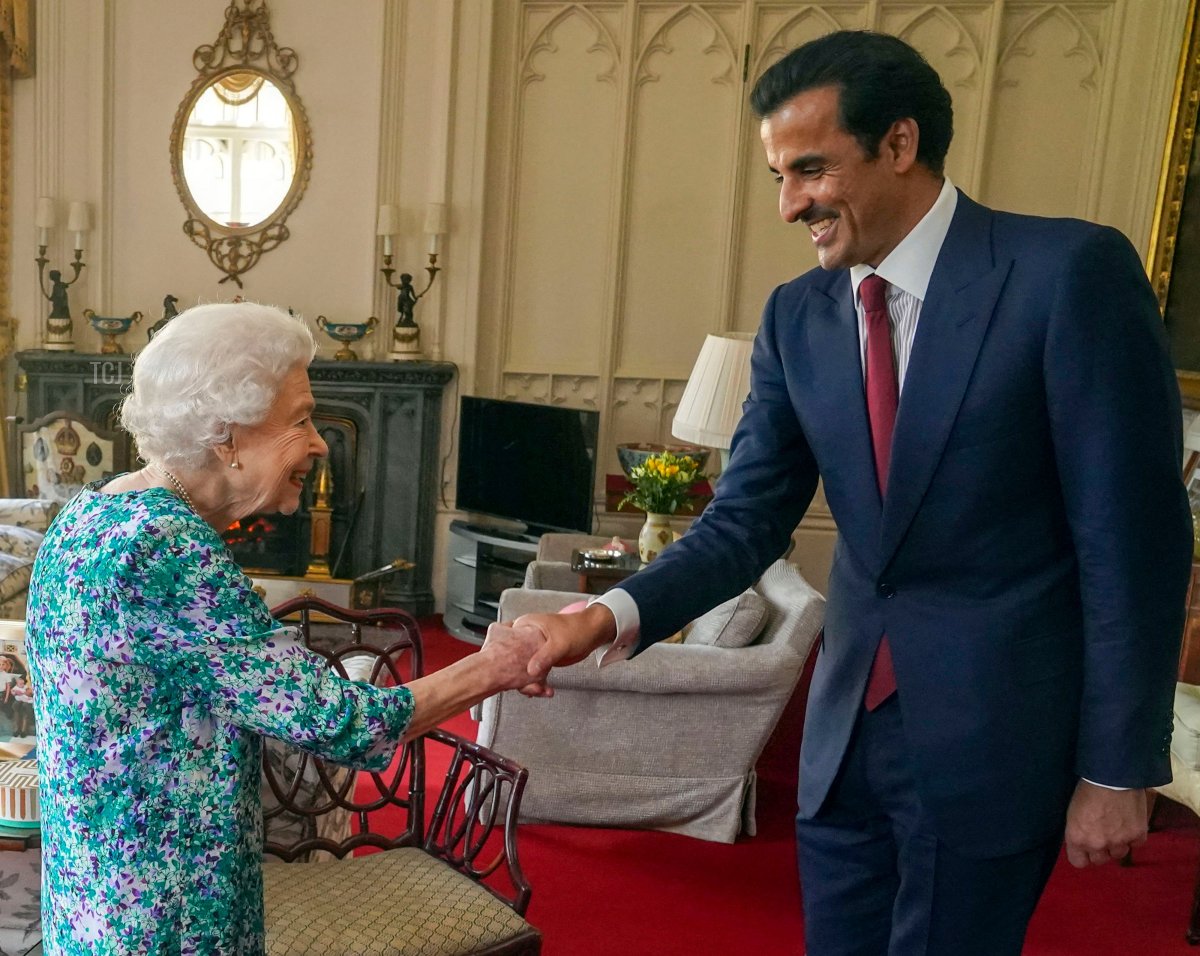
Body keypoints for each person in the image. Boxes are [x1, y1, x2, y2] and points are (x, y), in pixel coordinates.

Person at [516, 30, 1191, 956]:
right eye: (779, 177)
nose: (791, 204)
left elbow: (1135, 546)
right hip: (843, 744)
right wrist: (601, 618)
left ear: (900, 144)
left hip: (997, 740)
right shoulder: (797, 316)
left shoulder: (1066, 276)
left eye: (811, 171)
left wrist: (1119, 767)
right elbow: (744, 521)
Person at [26, 301, 544, 954]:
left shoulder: (91, 514)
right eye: (300, 419)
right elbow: (344, 722)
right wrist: (500, 662)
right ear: (227, 435)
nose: (321, 441)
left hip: (92, 900)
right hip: (170, 919)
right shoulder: (168, 548)